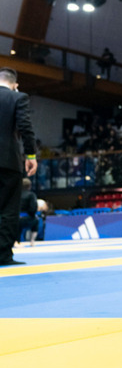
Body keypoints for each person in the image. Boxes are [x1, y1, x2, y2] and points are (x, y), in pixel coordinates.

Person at [0, 68, 38, 265]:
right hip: (7, 161)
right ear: (14, 84)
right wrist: (30, 154)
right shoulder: (18, 97)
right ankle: (3, 256)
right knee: (7, 209)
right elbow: (25, 127)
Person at [18, 178, 39, 246]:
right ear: (29, 186)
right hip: (27, 218)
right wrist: (32, 215)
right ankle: (32, 241)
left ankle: (16, 241)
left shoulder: (16, 195)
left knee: (16, 225)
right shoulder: (31, 195)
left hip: (15, 217)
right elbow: (33, 208)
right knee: (36, 220)